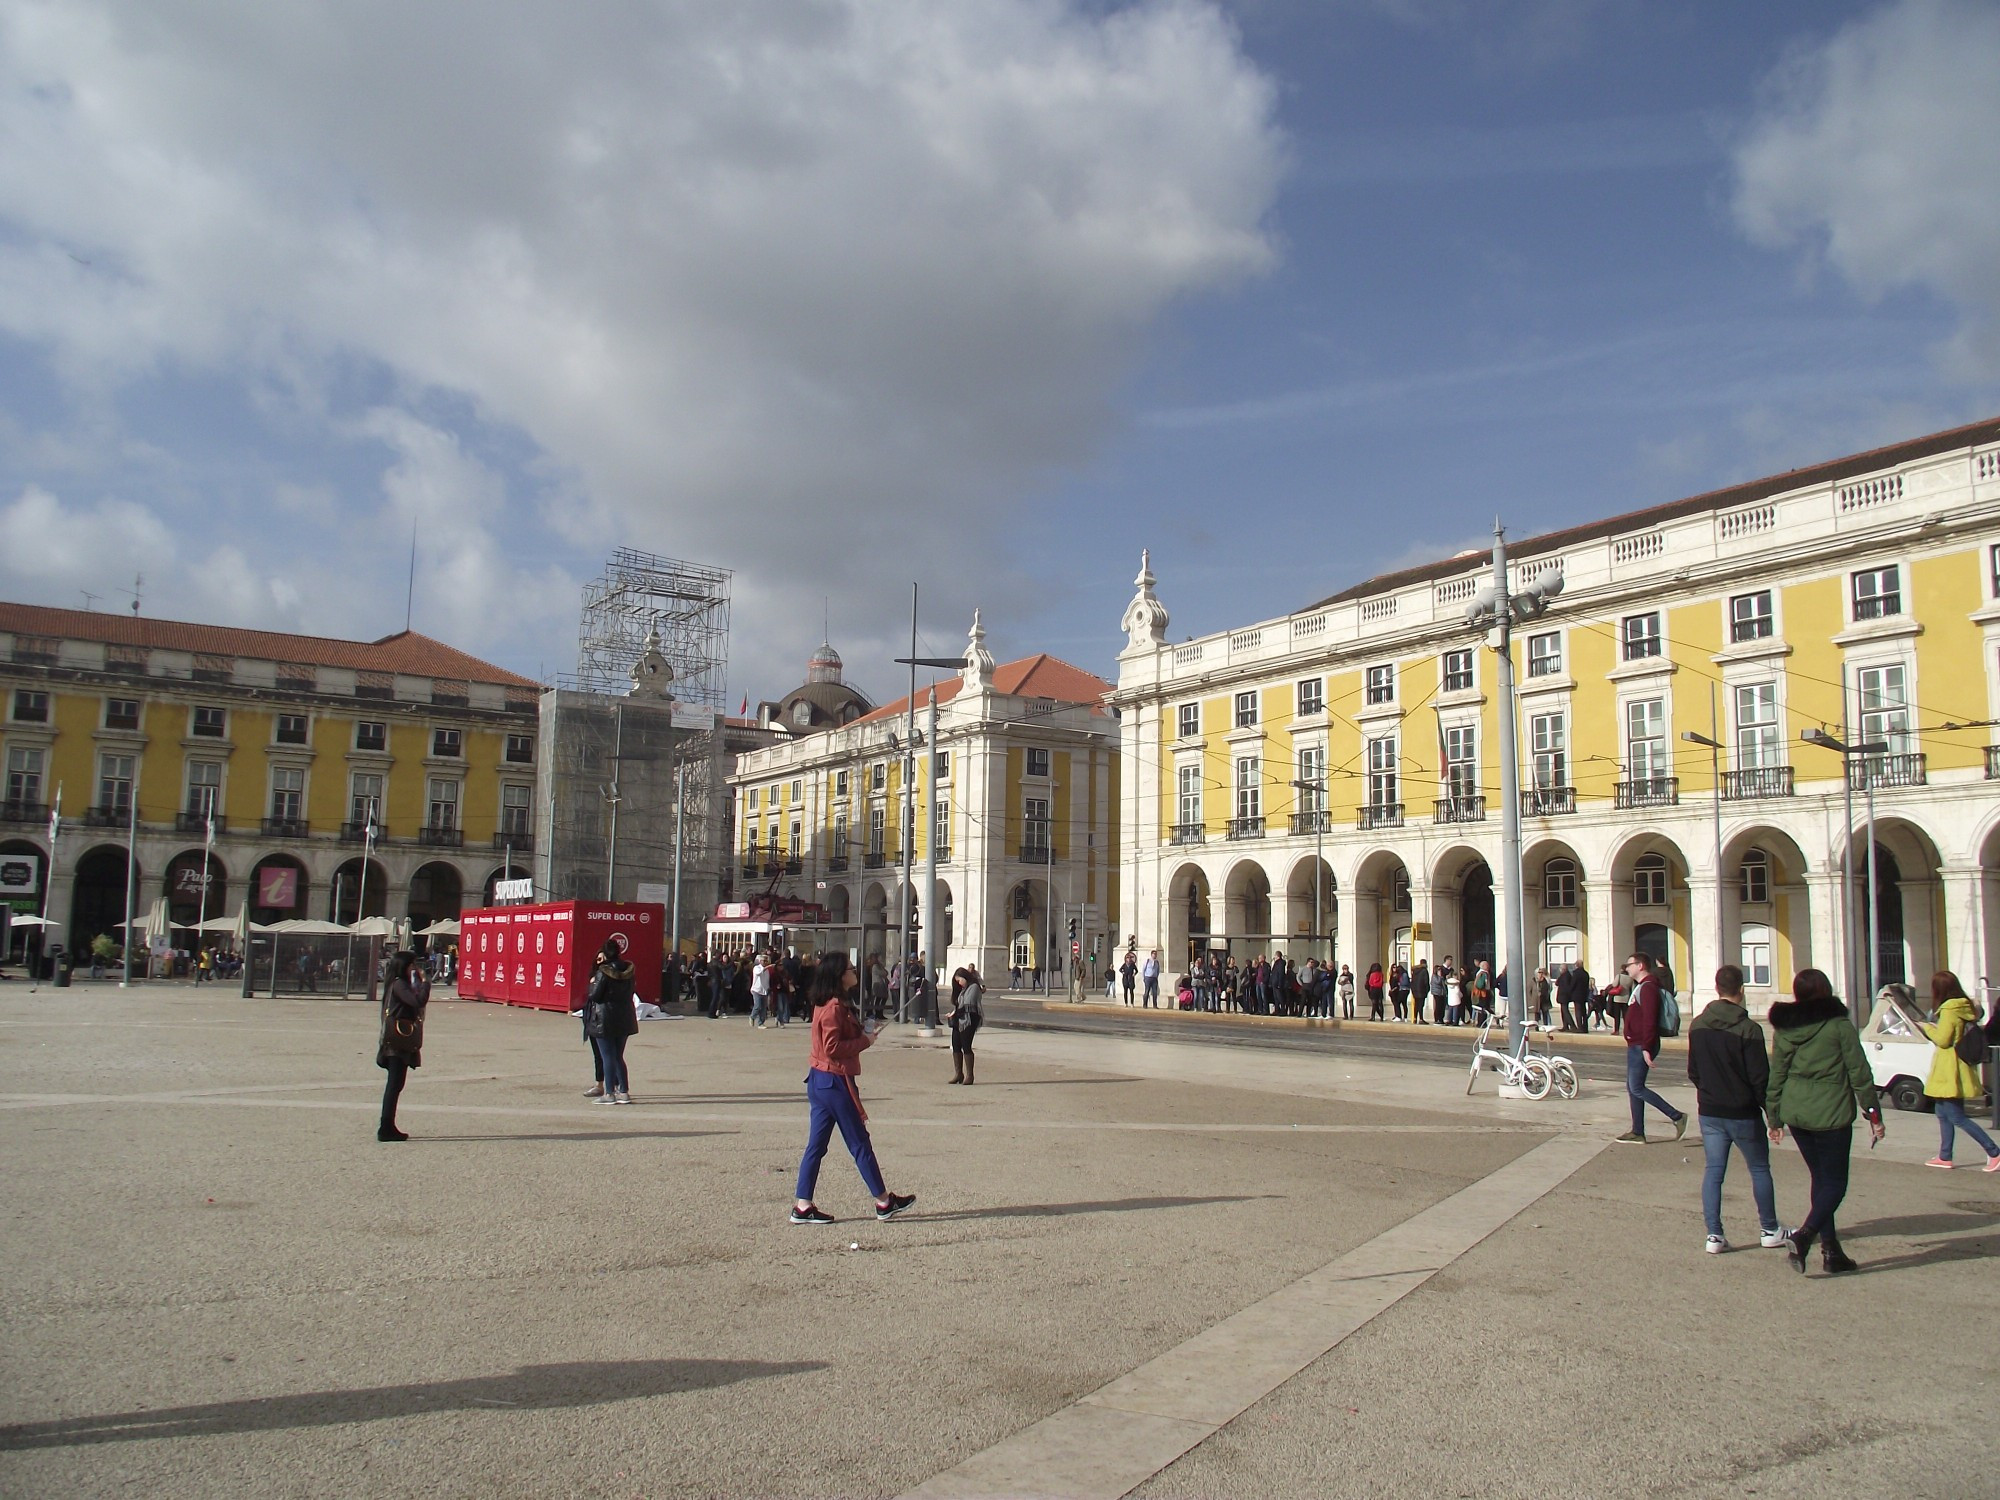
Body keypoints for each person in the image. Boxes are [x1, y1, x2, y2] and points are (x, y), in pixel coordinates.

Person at [1767, 967, 1882, 1274]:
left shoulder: (1785, 1029)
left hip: (1797, 1112)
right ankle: (1805, 1237)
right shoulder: (1839, 1026)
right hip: (1831, 1113)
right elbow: (1859, 1072)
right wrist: (1872, 1111)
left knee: (1820, 1180)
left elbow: (1777, 1074)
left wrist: (1774, 1117)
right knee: (1835, 1183)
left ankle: (1832, 1252)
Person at [791, 954, 917, 1225]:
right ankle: (883, 1201)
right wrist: (866, 1042)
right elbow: (833, 1048)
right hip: (836, 1081)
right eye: (850, 969)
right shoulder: (835, 1006)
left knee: (816, 1145)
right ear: (839, 976)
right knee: (859, 1142)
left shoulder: (825, 1002)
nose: (855, 971)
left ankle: (803, 1204)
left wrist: (864, 1030)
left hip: (819, 1079)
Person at [1686, 964, 1789, 1254]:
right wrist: (1773, 1118)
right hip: (1743, 1111)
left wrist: (1707, 1090)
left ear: (1717, 989)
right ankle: (1769, 1229)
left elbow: (1693, 1071)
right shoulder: (1749, 1029)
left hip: (1710, 1110)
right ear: (1741, 991)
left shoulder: (1698, 1025)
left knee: (1714, 1171)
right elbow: (1760, 1079)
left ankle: (1714, 1236)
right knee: (1759, 1168)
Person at [1919, 970, 2000, 1171]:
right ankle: (1945, 1156)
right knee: (1942, 1112)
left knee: (1956, 1116)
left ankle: (1994, 1152)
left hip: (1950, 1069)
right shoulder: (1964, 1006)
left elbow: (1943, 1039)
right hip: (1956, 1067)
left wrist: (1926, 1028)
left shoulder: (1949, 1010)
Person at [1615, 953, 1687, 1144]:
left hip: (1641, 1045)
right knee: (1633, 1088)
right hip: (1636, 1044)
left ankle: (1677, 1116)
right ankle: (1638, 1131)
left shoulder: (1648, 988)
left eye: (1628, 965)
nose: (1626, 969)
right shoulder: (1641, 987)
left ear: (1640, 965)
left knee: (1637, 1087)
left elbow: (1650, 1019)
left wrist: (1647, 1048)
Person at [374, 951, 430, 1141]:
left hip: (397, 1041)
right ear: (403, 966)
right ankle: (385, 1127)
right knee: (394, 1084)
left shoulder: (398, 984)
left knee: (397, 1084)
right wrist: (426, 983)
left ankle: (388, 1125)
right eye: (412, 965)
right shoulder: (399, 984)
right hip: (396, 1042)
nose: (414, 968)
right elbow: (417, 1000)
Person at [583, 940, 638, 1105]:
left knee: (607, 1055)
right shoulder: (628, 970)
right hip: (625, 1016)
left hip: (605, 1017)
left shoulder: (603, 972)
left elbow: (595, 995)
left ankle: (609, 1093)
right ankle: (624, 1091)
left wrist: (592, 985)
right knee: (618, 1056)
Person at [949, 964, 984, 1084]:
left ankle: (970, 1075)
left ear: (965, 977)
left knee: (966, 1045)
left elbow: (969, 1005)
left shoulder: (974, 987)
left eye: (959, 980)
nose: (959, 983)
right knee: (955, 1044)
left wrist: (956, 1012)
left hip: (970, 1019)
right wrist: (954, 1013)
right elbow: (959, 1004)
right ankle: (958, 1073)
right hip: (960, 1019)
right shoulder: (963, 990)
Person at [749, 949, 772, 1028]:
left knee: (763, 1008)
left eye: (766, 961)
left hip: (764, 990)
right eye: (764, 961)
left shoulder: (767, 971)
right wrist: (767, 967)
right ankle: (752, 1017)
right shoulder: (756, 968)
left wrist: (768, 988)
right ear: (760, 961)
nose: (765, 962)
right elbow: (758, 973)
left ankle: (761, 1023)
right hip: (756, 990)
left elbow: (767, 980)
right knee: (757, 1005)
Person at [1409, 958, 1430, 1026]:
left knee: (1416, 1005)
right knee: (1421, 1005)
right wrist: (1427, 990)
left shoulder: (1415, 971)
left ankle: (1415, 1018)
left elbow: (1412, 981)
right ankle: (1421, 1018)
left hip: (1415, 990)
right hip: (1422, 990)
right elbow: (1426, 982)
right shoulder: (1424, 971)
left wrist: (1412, 989)